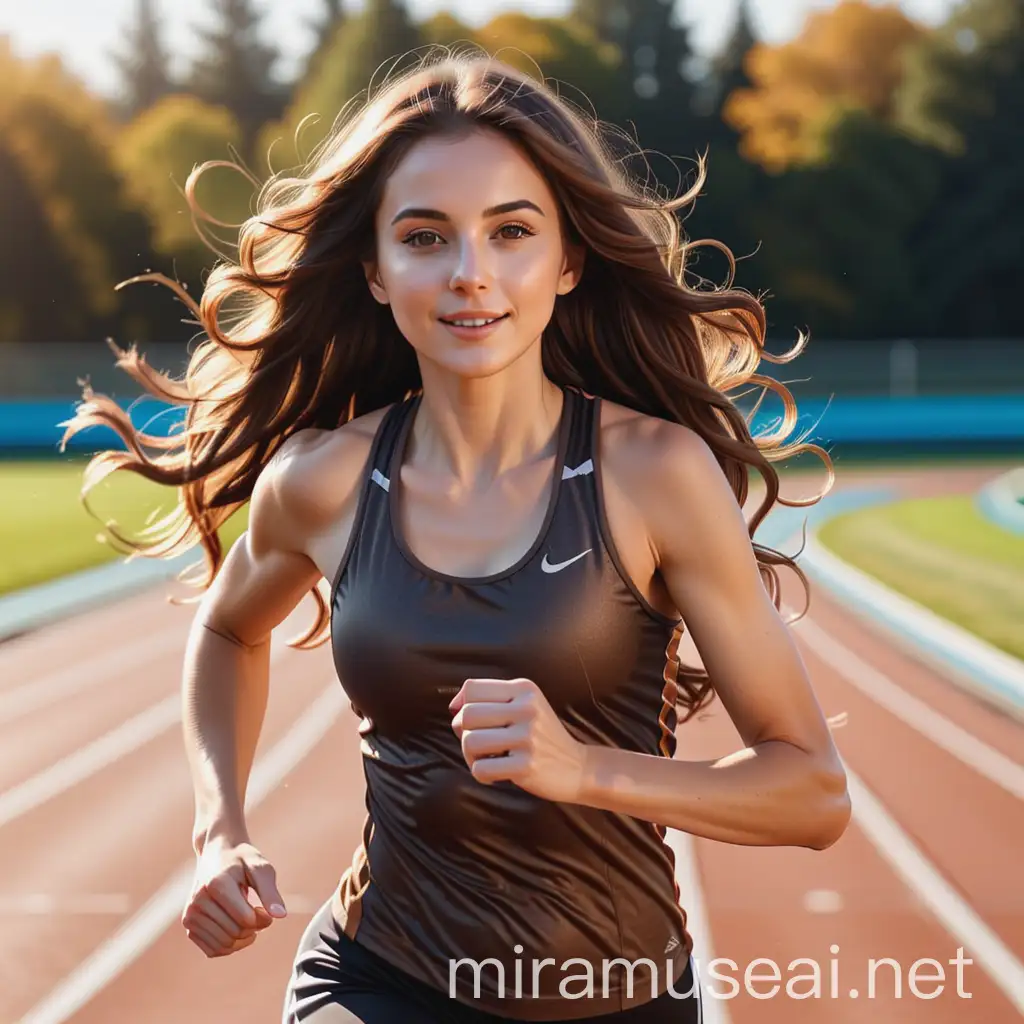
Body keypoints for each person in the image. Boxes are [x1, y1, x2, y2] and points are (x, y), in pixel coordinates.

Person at [62, 49, 850, 1024]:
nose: (470, 274)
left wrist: (585, 771)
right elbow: (227, 631)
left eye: (510, 232)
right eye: (426, 237)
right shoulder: (323, 479)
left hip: (620, 997)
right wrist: (218, 831)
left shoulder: (656, 475)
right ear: (377, 271)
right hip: (384, 979)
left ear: (566, 262)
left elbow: (812, 792)